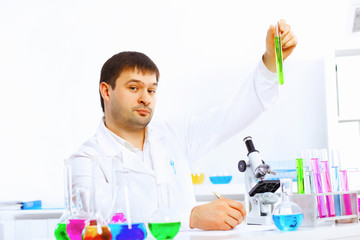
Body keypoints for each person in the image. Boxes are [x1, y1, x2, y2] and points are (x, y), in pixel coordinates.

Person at [70, 20, 297, 231]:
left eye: (151, 90)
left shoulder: (172, 135)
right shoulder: (86, 159)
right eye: (134, 88)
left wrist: (270, 60)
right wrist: (192, 217)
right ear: (106, 91)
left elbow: (232, 116)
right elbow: (100, 224)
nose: (145, 98)